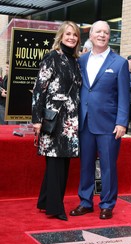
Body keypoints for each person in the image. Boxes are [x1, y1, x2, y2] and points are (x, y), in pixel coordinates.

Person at [69, 20, 130, 220]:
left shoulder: (119, 63)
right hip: (85, 122)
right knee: (85, 164)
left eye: (106, 32)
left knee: (108, 166)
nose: (102, 35)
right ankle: (85, 202)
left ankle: (107, 204)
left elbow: (124, 96)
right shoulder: (81, 60)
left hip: (109, 124)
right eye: (98, 31)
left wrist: (122, 122)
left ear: (109, 36)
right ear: (91, 35)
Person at [32, 21, 82, 221]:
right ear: (60, 36)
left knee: (63, 162)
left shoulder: (75, 61)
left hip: (70, 120)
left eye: (75, 35)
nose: (71, 37)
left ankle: (45, 200)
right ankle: (55, 207)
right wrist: (37, 120)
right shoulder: (52, 57)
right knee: (54, 163)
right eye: (68, 34)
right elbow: (38, 90)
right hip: (52, 119)